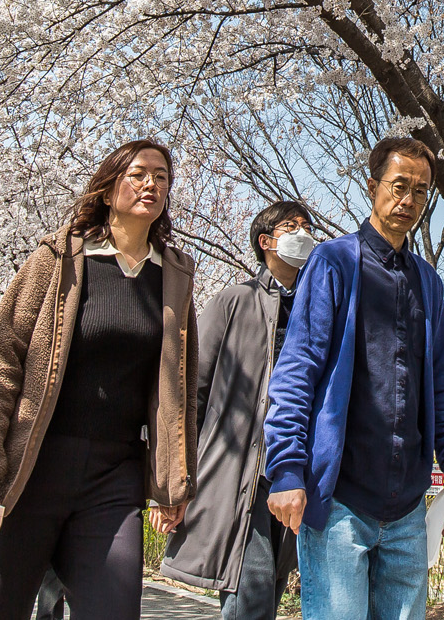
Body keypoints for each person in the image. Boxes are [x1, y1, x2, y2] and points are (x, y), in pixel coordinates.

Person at [0, 139, 199, 620]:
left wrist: (174, 482)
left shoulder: (173, 275)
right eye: (138, 174)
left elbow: (180, 389)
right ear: (107, 189)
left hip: (114, 474)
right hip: (33, 464)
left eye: (162, 177)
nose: (151, 184)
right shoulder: (60, 258)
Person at [264, 136, 444, 620]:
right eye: (399, 186)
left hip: (407, 508)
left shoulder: (428, 282)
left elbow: (439, 387)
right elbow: (297, 372)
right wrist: (287, 469)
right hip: (340, 500)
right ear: (372, 186)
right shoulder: (334, 262)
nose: (409, 200)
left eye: (421, 191)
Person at [162, 201, 320, 620]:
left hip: (297, 466)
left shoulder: (320, 309)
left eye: (308, 226)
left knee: (271, 586)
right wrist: (180, 475)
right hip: (240, 469)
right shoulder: (234, 300)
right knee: (252, 586)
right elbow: (192, 389)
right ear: (265, 242)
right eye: (291, 226)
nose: (304, 234)